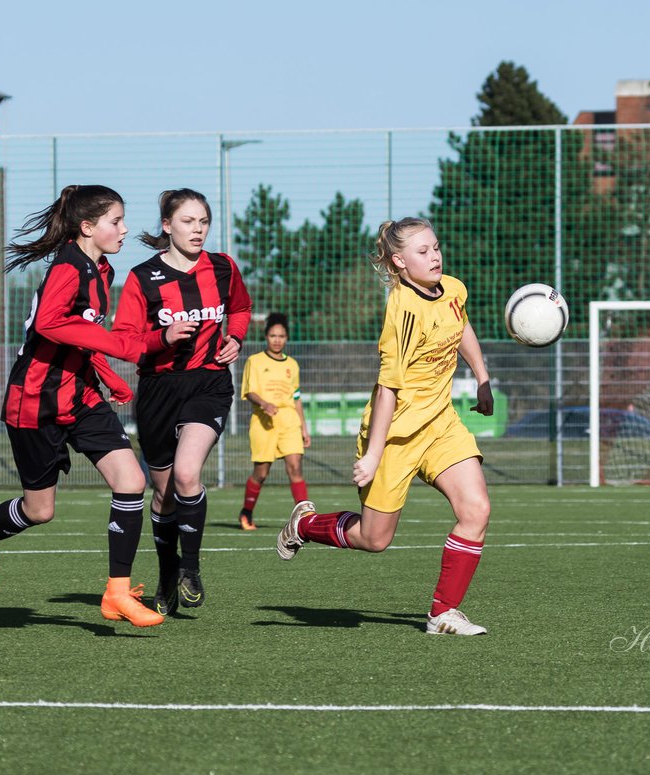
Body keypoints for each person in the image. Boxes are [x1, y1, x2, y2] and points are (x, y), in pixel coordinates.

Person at [0, 185, 168, 627]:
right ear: (87, 227)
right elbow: (51, 323)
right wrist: (125, 347)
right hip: (35, 400)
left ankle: (117, 592)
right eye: (116, 221)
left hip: (82, 396)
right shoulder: (68, 266)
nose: (124, 230)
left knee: (130, 480)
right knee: (40, 511)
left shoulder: (101, 269)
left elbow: (83, 336)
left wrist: (108, 377)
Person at [275, 217, 494, 635]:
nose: (434, 256)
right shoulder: (402, 310)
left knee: (476, 509)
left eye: (435, 247)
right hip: (394, 434)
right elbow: (387, 387)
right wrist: (374, 454)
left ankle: (442, 613)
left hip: (441, 425)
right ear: (399, 261)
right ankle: (304, 525)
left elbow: (460, 323)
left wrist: (482, 378)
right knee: (374, 539)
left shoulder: (453, 287)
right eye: (422, 251)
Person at [114, 188, 252, 617]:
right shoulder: (142, 277)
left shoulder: (223, 268)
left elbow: (242, 308)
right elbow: (123, 341)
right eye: (188, 222)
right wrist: (163, 337)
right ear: (168, 226)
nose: (198, 230)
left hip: (208, 384)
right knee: (163, 496)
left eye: (204, 222)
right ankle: (167, 576)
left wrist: (236, 339)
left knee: (188, 475)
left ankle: (190, 569)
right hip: (158, 391)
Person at [238, 312, 312, 531]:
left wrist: (304, 427)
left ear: (287, 338)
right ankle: (247, 512)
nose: (277, 340)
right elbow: (249, 391)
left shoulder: (293, 365)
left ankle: (306, 518)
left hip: (289, 421)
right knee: (261, 473)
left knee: (295, 467)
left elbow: (296, 397)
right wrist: (264, 403)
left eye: (281, 336)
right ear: (266, 337)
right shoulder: (255, 361)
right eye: (273, 335)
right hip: (263, 422)